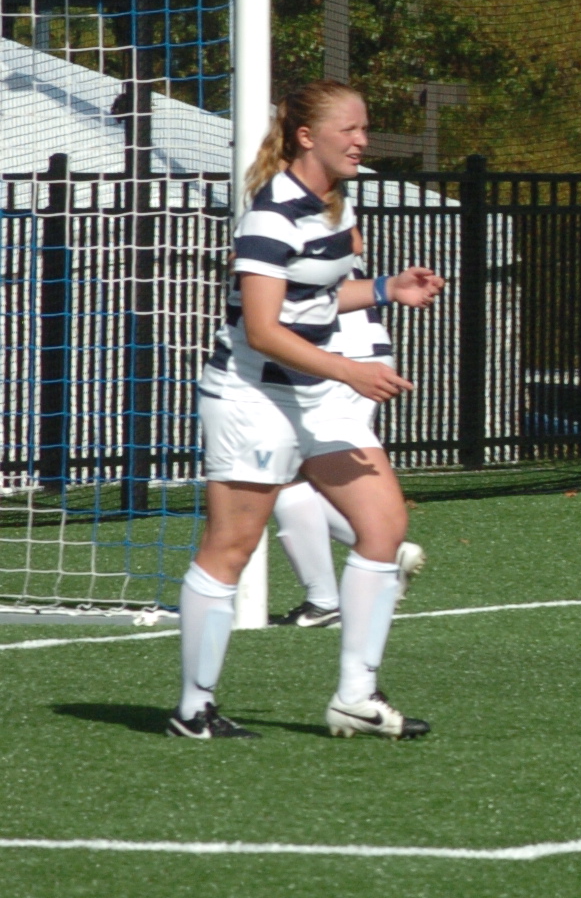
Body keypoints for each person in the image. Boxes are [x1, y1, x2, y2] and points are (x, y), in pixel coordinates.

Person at [171, 81, 445, 739]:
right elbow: (263, 329)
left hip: (316, 395)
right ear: (305, 136)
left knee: (384, 527)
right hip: (253, 398)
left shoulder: (335, 206)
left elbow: (316, 300)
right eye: (349, 130)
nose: (362, 141)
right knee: (230, 548)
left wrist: (388, 288)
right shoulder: (270, 216)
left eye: (364, 128)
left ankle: (356, 697)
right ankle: (193, 708)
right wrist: (352, 370)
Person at [267, 252, 428, 628]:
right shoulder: (321, 224)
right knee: (287, 474)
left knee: (280, 473)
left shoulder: (288, 223)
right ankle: (376, 557)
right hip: (352, 354)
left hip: (332, 359)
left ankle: (328, 600)